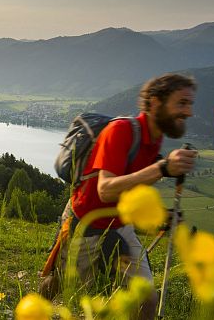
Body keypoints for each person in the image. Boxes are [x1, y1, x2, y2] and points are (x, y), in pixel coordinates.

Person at [69, 74, 197, 319]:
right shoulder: (121, 131)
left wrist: (158, 216)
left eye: (190, 104)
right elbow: (105, 190)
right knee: (62, 287)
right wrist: (162, 169)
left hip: (120, 225)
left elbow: (132, 189)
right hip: (85, 223)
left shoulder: (155, 139)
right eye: (182, 103)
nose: (189, 112)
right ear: (156, 103)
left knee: (147, 298)